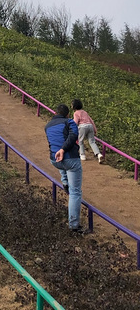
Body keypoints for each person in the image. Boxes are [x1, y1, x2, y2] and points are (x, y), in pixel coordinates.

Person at [45, 104, 84, 233]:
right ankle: (74, 225)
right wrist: (63, 149)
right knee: (75, 192)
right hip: (70, 159)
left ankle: (65, 181)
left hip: (54, 160)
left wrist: (59, 151)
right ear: (67, 114)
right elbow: (73, 136)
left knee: (62, 164)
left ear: (55, 113)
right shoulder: (69, 122)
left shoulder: (47, 126)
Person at [71, 99, 105, 163]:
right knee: (92, 142)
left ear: (74, 106)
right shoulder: (84, 112)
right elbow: (91, 120)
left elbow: (75, 122)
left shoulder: (76, 113)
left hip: (82, 127)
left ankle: (82, 155)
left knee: (80, 141)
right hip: (90, 126)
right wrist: (95, 129)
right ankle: (99, 154)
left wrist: (72, 129)